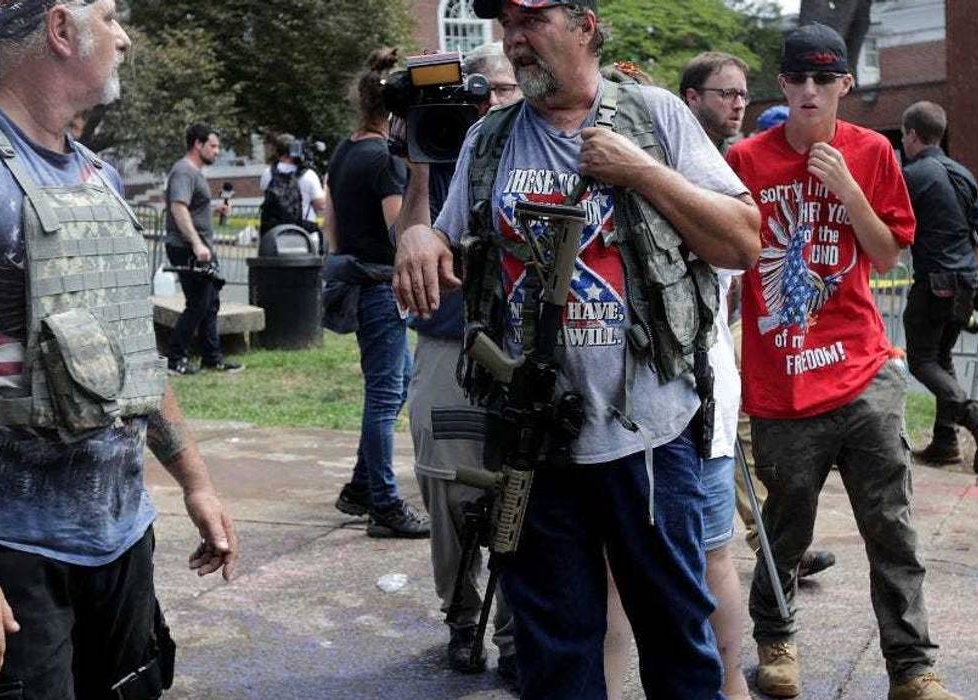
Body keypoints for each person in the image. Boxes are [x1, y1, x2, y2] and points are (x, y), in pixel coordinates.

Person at [0, 1, 238, 696]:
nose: (123, 38)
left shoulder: (97, 176)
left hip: (117, 536)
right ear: (60, 30)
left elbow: (130, 353)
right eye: (109, 17)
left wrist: (195, 481)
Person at [394, 0, 762, 696]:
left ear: (584, 25)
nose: (515, 37)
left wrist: (642, 171)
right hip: (534, 440)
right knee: (553, 653)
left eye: (531, 19)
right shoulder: (489, 139)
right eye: (507, 24)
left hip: (648, 437)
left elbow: (742, 242)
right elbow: (443, 238)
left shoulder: (654, 116)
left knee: (677, 640)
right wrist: (420, 234)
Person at [726, 24, 959, 700]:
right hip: (783, 383)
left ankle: (912, 669)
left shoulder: (872, 152)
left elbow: (886, 255)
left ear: (844, 85)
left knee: (891, 528)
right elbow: (723, 257)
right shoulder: (744, 160)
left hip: (862, 372)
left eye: (822, 79)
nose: (808, 90)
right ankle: (776, 644)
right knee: (783, 530)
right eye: (797, 78)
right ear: (782, 83)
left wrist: (847, 188)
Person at [680, 50, 837, 577]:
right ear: (691, 98)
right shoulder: (685, 158)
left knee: (739, 429)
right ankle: (766, 542)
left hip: (733, 322)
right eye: (726, 93)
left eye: (743, 94)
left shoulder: (728, 156)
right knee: (735, 432)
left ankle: (769, 541)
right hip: (697, 329)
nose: (737, 103)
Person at [401, 42, 520, 683]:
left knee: (523, 492)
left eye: (504, 90)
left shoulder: (542, 150)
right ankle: (461, 617)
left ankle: (515, 631)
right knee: (448, 490)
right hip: (449, 345)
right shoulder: (441, 148)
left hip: (525, 352)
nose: (491, 103)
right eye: (483, 90)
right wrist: (420, 160)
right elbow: (407, 248)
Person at [327, 47, 430, 539]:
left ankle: (361, 487)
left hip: (356, 281)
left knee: (394, 384)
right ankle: (385, 505)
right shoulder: (385, 158)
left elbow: (330, 224)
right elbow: (400, 234)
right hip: (380, 288)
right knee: (385, 399)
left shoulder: (345, 151)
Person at [899, 100, 978, 472]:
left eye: (903, 137)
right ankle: (945, 444)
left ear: (912, 135)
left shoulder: (913, 175)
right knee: (941, 357)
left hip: (934, 282)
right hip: (967, 281)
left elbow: (890, 223)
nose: (903, 143)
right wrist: (970, 282)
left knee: (922, 361)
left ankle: (975, 417)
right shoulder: (964, 174)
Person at [163, 123, 242, 376]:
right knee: (198, 303)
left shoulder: (195, 172)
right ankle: (175, 359)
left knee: (210, 303)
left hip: (200, 248)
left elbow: (192, 207)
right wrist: (197, 244)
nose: (217, 151)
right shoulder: (184, 171)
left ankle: (212, 358)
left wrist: (214, 209)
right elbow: (178, 207)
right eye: (213, 146)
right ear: (198, 144)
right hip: (187, 247)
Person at [258, 133, 326, 236]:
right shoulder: (309, 175)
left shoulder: (268, 173)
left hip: (276, 236)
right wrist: (325, 186)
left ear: (277, 152)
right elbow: (321, 205)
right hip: (304, 236)